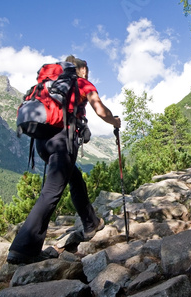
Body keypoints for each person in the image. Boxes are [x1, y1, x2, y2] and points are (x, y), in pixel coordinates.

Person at [7, 56, 121, 265]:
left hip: (42, 142)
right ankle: (22, 249)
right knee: (51, 192)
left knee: (75, 178)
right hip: (62, 142)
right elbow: (100, 109)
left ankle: (91, 223)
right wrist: (114, 121)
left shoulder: (49, 87)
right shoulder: (81, 83)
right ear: (83, 69)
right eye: (87, 69)